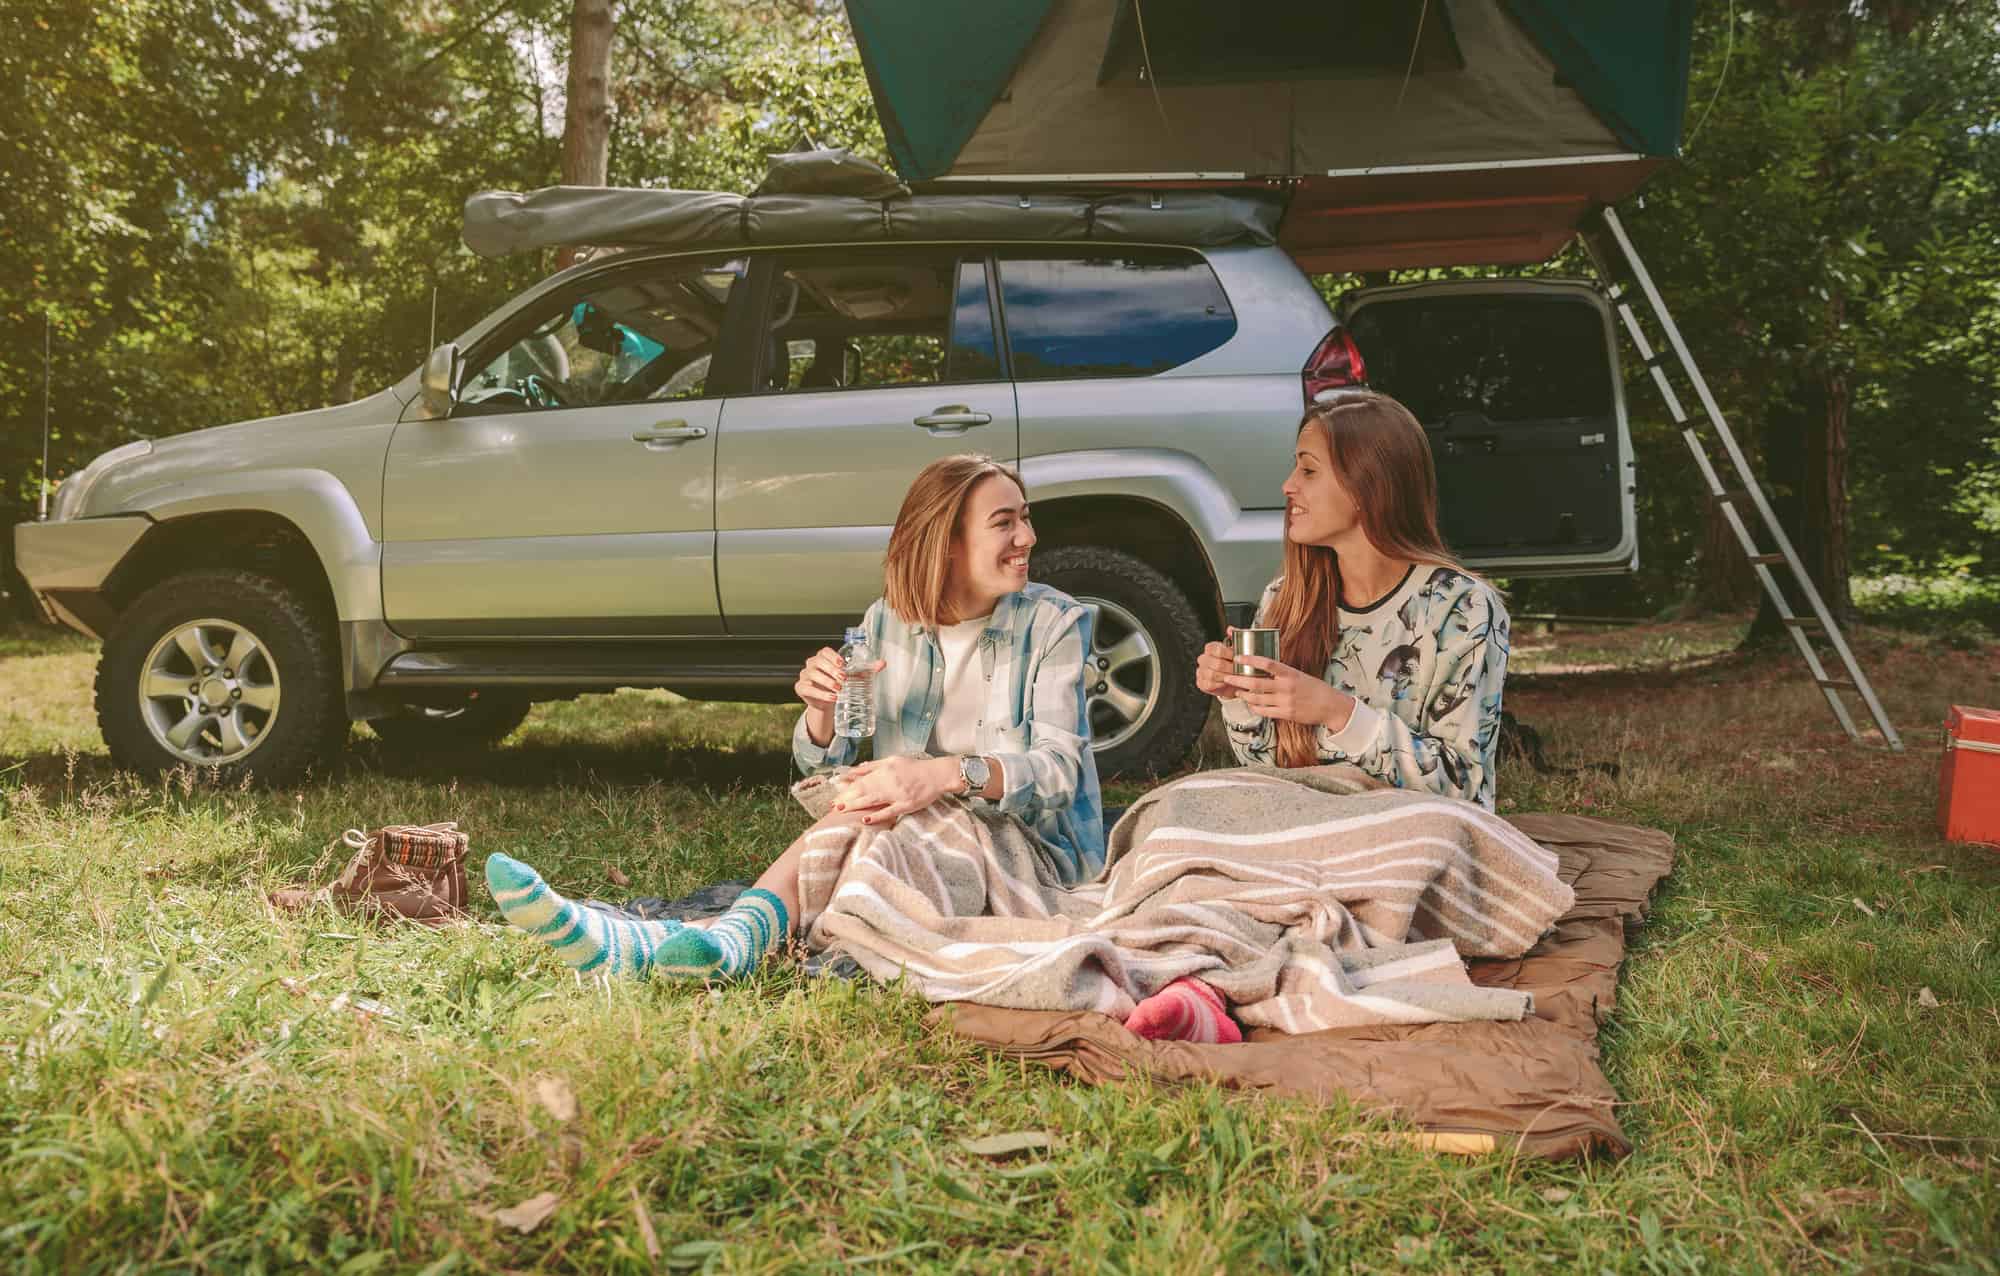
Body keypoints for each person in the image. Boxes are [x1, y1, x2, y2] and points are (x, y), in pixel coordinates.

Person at [484, 454, 1106, 980]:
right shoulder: (886, 623)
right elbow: (825, 763)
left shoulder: (1054, 624)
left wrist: (939, 776)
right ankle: (695, 942)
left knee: (885, 809)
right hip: (907, 831)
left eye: (1025, 519)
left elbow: (1060, 771)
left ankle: (691, 940)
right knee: (870, 804)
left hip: (1031, 855)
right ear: (946, 542)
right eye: (1005, 523)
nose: (1027, 538)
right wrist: (822, 715)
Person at [1126, 389, 1511, 1044]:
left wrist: (1336, 711)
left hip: (1401, 829)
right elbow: (1266, 769)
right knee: (1175, 814)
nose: (1287, 486)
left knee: (1403, 850)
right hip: (1306, 821)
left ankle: (1220, 986)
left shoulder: (1463, 610)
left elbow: (1465, 788)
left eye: (1308, 469)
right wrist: (1238, 698)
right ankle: (1205, 988)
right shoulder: (1290, 597)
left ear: (1368, 485)